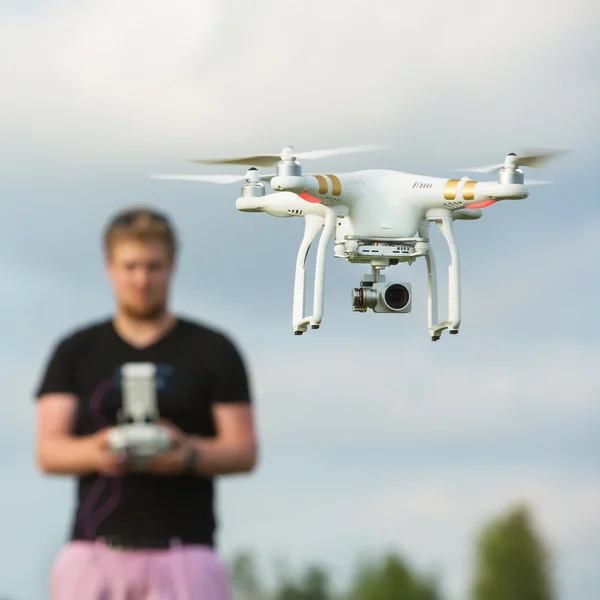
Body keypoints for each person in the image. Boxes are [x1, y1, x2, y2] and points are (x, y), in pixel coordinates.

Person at [34, 206, 258, 599]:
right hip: (94, 553)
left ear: (171, 267)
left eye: (153, 266)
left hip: (185, 553)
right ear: (110, 268)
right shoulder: (75, 351)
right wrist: (98, 450)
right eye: (130, 266)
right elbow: (48, 450)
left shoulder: (213, 350)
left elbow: (243, 450)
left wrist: (187, 453)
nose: (142, 279)